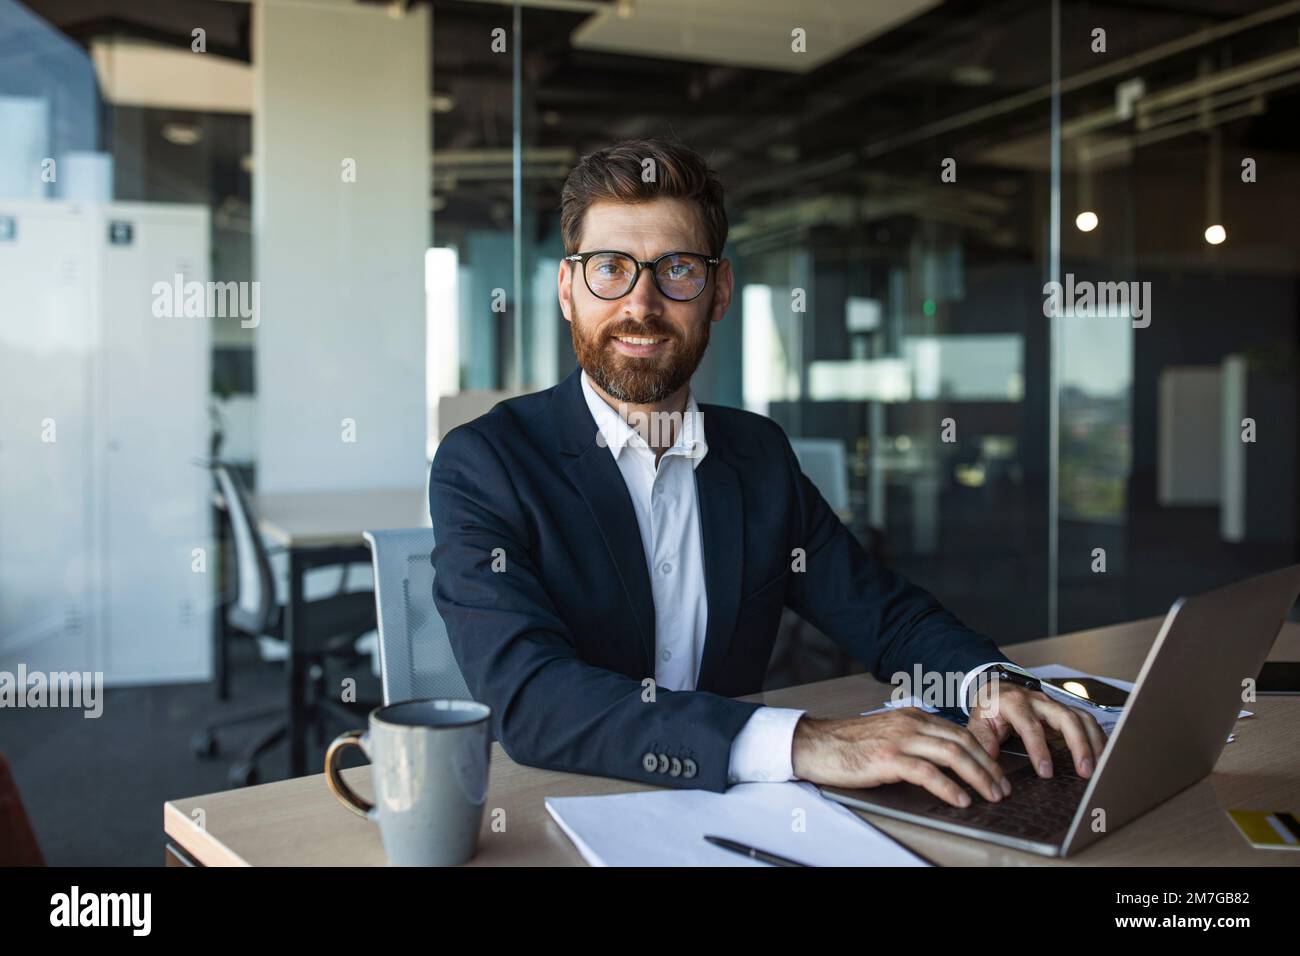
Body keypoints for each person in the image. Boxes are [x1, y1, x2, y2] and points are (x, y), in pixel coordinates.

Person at [429, 138, 1105, 804]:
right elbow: (532, 700)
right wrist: (806, 741)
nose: (640, 304)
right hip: (564, 810)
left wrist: (987, 681)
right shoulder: (487, 464)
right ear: (568, 289)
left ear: (719, 291)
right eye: (611, 268)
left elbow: (884, 617)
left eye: (678, 269)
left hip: (740, 818)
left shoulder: (757, 456)